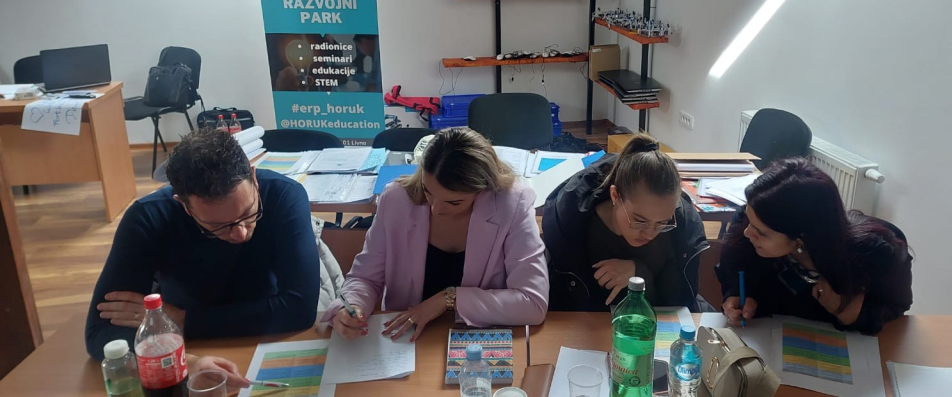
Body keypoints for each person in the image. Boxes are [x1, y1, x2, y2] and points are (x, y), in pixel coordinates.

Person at [84, 129, 319, 360]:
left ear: (254, 179)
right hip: (189, 345)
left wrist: (183, 320)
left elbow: (299, 308)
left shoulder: (284, 195)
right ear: (184, 206)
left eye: (248, 213)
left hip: (266, 338)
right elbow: (101, 334)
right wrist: (186, 361)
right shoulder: (148, 217)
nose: (240, 233)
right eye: (217, 225)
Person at [327, 127, 549, 341]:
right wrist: (353, 304)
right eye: (428, 192)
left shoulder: (512, 204)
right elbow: (365, 278)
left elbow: (532, 303)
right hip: (406, 338)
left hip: (478, 336)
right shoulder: (396, 200)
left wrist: (449, 298)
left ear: (482, 189)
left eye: (454, 202)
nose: (435, 209)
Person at [715, 158, 913, 334]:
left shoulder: (877, 254)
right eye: (749, 220)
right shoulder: (754, 219)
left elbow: (896, 307)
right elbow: (733, 266)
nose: (747, 232)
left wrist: (852, 314)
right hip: (766, 341)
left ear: (802, 237)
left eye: (763, 233)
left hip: (837, 350)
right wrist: (736, 295)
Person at [543, 134, 709, 311]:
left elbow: (677, 304)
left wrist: (640, 275)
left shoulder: (680, 227)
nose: (650, 234)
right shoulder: (573, 224)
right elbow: (564, 304)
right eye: (640, 221)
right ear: (615, 196)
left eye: (662, 222)